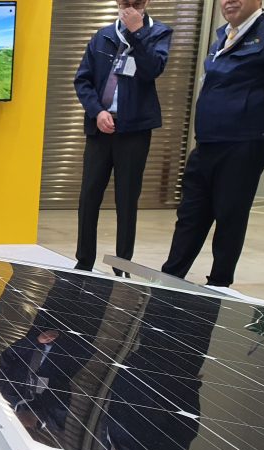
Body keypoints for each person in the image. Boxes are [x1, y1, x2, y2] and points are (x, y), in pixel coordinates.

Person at [161, 0, 264, 288]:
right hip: (207, 142)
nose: (229, 1)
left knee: (229, 217)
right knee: (190, 215)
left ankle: (219, 285)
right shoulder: (222, 36)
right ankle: (169, 278)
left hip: (242, 145)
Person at [73, 0, 172, 276]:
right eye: (125, 3)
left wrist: (138, 33)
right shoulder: (103, 35)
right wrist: (97, 111)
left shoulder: (159, 33)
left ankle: (122, 264)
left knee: (127, 199)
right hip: (100, 128)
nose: (130, 8)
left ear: (146, 3)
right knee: (89, 195)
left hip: (134, 130)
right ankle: (84, 261)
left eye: (136, 3)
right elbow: (82, 80)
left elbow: (153, 69)